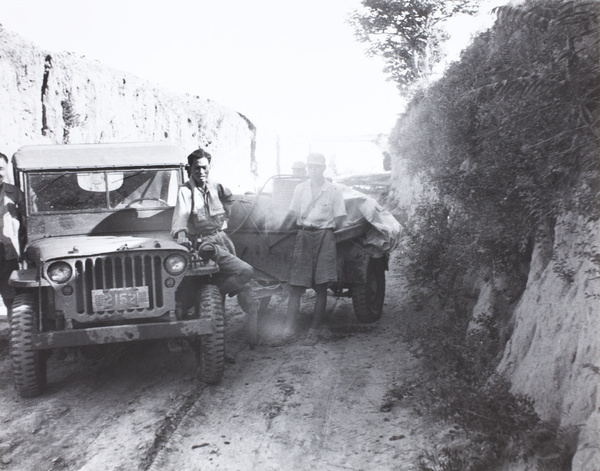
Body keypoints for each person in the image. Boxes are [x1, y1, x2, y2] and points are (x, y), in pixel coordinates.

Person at [276, 153, 346, 346]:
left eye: (316, 167)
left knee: (321, 286)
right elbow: (293, 213)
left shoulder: (333, 190)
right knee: (296, 286)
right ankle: (288, 330)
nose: (312, 171)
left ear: (323, 168)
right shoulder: (300, 188)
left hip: (325, 236)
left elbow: (340, 217)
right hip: (304, 235)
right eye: (310, 167)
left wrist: (327, 231)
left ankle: (313, 331)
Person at [171, 148, 254, 297]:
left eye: (204, 168)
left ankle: (216, 296)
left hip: (222, 238)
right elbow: (181, 217)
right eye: (197, 168)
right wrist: (182, 235)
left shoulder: (216, 186)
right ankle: (216, 294)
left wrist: (225, 218)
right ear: (190, 169)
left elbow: (229, 198)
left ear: (209, 167)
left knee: (223, 276)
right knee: (246, 271)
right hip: (203, 243)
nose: (201, 172)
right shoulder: (186, 191)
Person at [0, 152, 25, 321]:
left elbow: (27, 218)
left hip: (7, 250)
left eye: (0, 168)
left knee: (9, 292)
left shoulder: (14, 193)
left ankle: (11, 328)